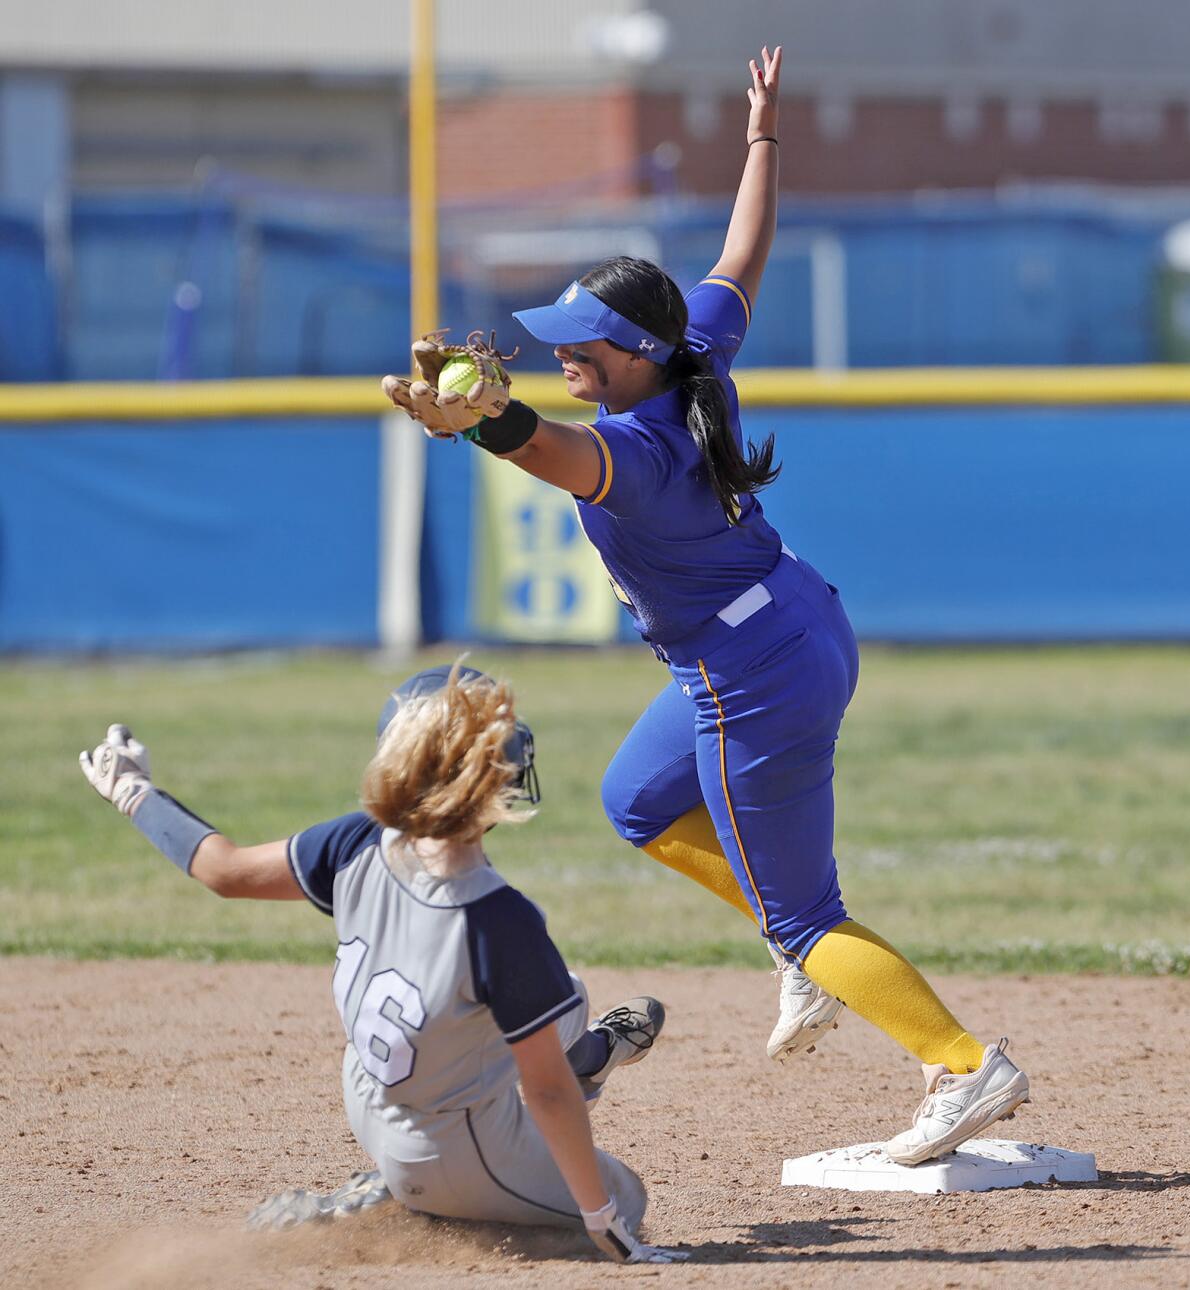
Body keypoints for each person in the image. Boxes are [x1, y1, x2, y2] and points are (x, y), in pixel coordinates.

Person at [383, 46, 1029, 1167]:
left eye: (577, 341)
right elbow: (744, 251)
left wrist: (476, 419)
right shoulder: (695, 353)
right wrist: (762, 135)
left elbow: (542, 447)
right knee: (637, 798)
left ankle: (962, 1065)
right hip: (792, 621)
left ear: (628, 354)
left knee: (806, 916)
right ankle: (802, 949)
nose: (558, 349)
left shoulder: (630, 448)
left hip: (751, 676)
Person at [79, 663, 684, 1264]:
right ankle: (408, 1204)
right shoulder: (497, 917)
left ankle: (584, 1061)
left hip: (370, 1091)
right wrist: (605, 1224)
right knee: (624, 1197)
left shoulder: (356, 842)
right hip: (450, 1149)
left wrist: (135, 791)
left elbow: (225, 870)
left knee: (566, 998)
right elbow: (547, 1093)